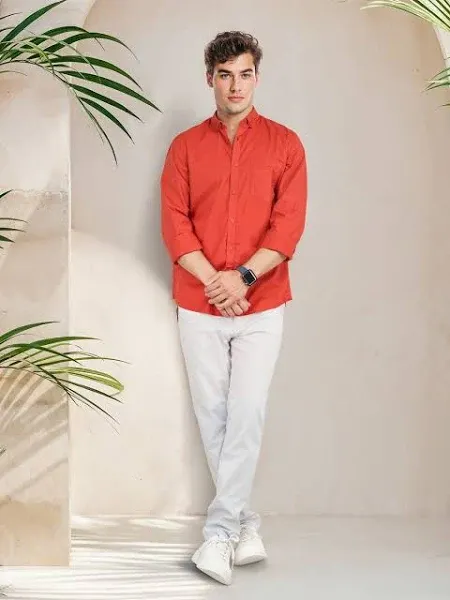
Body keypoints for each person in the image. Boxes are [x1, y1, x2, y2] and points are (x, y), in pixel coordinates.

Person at [161, 30, 307, 585]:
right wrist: (216, 282)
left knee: (246, 412)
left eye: (245, 74)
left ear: (257, 78)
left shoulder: (286, 145)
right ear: (210, 79)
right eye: (225, 75)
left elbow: (287, 226)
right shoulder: (184, 148)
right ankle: (244, 523)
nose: (236, 86)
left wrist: (242, 277)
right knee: (214, 417)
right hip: (199, 304)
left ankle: (218, 535)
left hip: (262, 302)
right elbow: (175, 225)